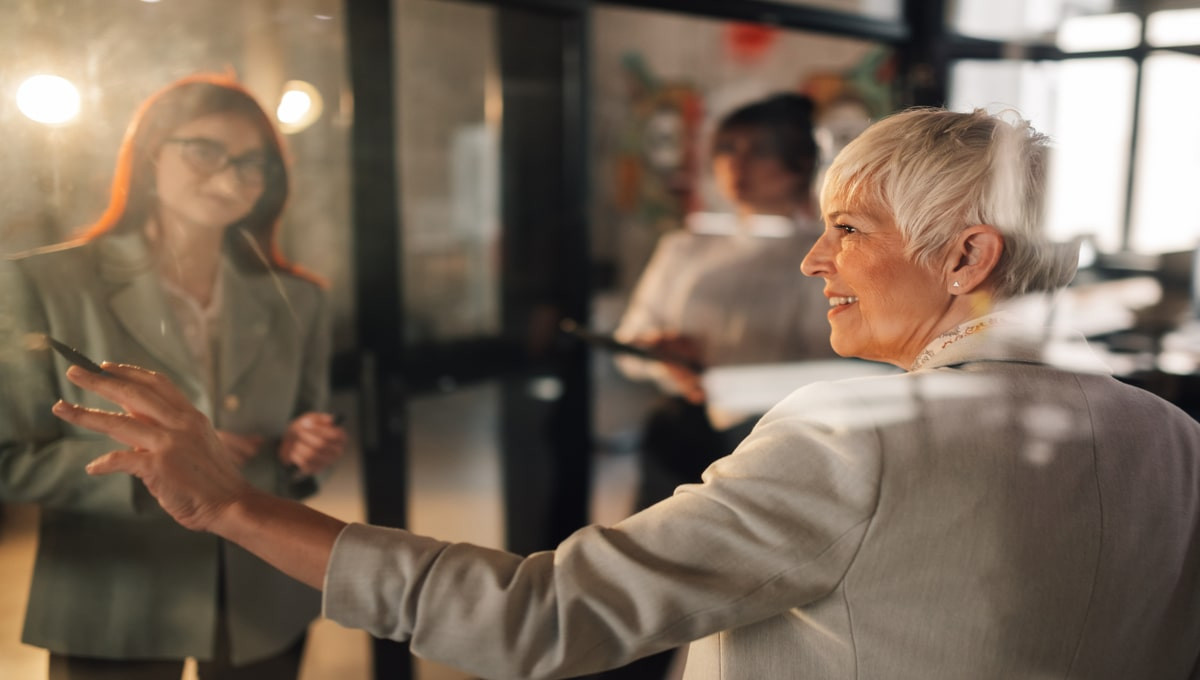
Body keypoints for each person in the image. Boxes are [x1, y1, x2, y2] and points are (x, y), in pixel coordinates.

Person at [45, 107, 1200, 679]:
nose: (815, 263)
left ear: (967, 258)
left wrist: (233, 506)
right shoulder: (1169, 432)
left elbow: (539, 617)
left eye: (847, 230)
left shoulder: (860, 436)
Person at [0, 73, 346, 679]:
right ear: (150, 153)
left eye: (252, 163)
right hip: (115, 594)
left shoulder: (299, 299)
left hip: (261, 590)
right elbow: (8, 457)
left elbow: (303, 433)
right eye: (204, 149)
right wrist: (154, 471)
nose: (230, 173)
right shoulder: (44, 284)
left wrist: (303, 449)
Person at [613, 93, 838, 513]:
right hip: (677, 432)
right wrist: (659, 353)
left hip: (772, 439)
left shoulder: (823, 254)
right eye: (727, 149)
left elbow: (831, 364)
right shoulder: (685, 245)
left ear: (800, 161)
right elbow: (629, 342)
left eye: (758, 151)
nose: (736, 165)